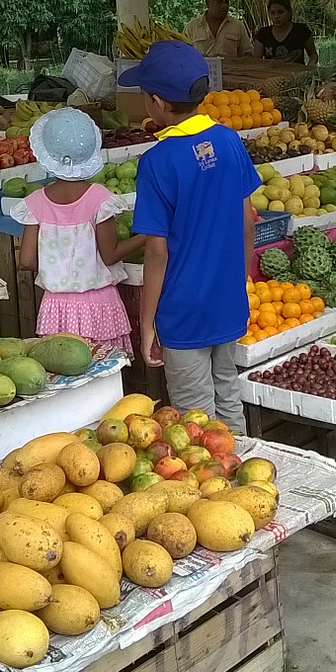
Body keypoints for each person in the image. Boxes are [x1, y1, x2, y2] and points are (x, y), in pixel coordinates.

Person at [119, 41, 260, 431]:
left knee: (196, 421)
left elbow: (156, 251)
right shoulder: (230, 140)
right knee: (228, 398)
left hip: (183, 312)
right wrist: (240, 279)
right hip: (227, 301)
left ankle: (220, 491)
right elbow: (248, 220)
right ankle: (249, 480)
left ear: (158, 103)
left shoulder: (157, 161)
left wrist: (147, 324)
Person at [14, 109, 145, 353]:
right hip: (100, 306)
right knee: (106, 376)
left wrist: (59, 268)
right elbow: (111, 255)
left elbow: (27, 260)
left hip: (56, 308)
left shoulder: (35, 203)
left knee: (65, 370)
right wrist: (146, 236)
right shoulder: (100, 199)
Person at [184, 0, 253, 57]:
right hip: (201, 68)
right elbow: (184, 56)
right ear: (207, 3)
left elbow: (248, 54)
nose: (224, 5)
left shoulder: (238, 26)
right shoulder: (191, 28)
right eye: (219, 1)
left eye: (226, 1)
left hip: (231, 68)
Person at [253, 0, 318, 66]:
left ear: (289, 12)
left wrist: (311, 64)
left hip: (297, 75)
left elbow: (313, 54)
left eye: (280, 12)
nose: (276, 16)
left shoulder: (301, 30)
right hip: (270, 75)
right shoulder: (263, 34)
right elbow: (257, 61)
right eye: (273, 13)